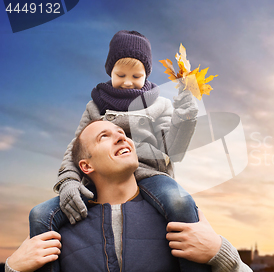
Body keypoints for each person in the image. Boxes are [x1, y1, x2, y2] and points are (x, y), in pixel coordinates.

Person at [29, 30, 203, 271]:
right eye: (120, 75)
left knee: (179, 201)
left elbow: (173, 148)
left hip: (150, 173)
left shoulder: (159, 104)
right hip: (101, 174)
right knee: (40, 214)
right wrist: (69, 181)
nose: (128, 81)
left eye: (136, 75)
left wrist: (184, 116)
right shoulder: (96, 105)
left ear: (147, 75)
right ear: (109, 71)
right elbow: (76, 148)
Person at [5, 120, 252, 272]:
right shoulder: (57, 233)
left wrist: (221, 255)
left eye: (121, 132)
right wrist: (12, 269)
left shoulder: (180, 220)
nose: (121, 136)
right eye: (104, 136)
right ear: (86, 166)